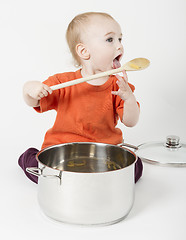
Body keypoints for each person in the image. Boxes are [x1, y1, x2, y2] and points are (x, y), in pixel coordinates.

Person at [19, 12, 143, 183]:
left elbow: (131, 121)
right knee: (38, 168)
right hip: (62, 153)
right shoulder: (63, 82)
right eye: (110, 40)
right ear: (84, 51)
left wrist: (129, 98)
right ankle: (29, 157)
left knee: (136, 167)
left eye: (120, 39)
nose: (120, 46)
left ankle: (87, 180)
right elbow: (35, 101)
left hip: (103, 155)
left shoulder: (119, 86)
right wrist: (29, 89)